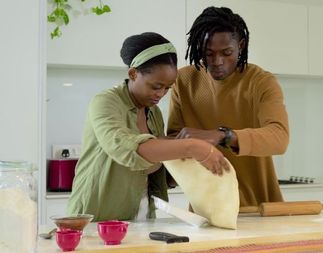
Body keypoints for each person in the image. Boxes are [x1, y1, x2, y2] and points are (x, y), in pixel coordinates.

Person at [67, 32, 229, 222]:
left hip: (142, 217)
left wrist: (187, 166)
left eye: (167, 88)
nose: (161, 94)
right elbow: (125, 149)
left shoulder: (153, 112)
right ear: (133, 73)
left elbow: (153, 165)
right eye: (156, 86)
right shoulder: (105, 102)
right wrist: (192, 146)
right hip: (95, 217)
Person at [167, 7, 290, 207]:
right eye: (208, 53)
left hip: (259, 207)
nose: (217, 62)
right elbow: (175, 139)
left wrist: (223, 135)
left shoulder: (261, 82)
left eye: (227, 52)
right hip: (206, 208)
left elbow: (279, 137)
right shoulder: (183, 81)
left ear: (240, 46)